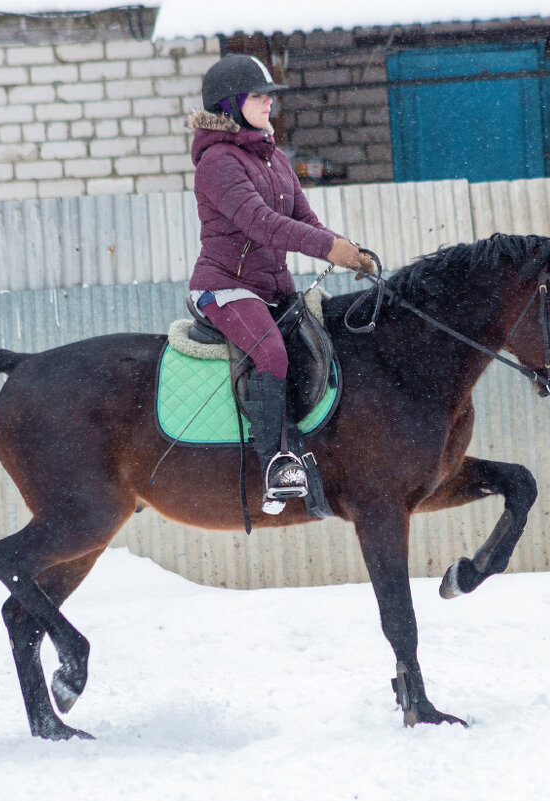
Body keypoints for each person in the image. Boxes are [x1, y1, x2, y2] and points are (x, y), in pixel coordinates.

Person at [188, 53, 375, 515]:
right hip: (225, 288)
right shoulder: (217, 162)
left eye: (270, 96)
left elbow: (303, 219)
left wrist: (346, 246)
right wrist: (328, 250)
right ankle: (275, 465)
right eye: (259, 96)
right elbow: (263, 224)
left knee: (328, 338)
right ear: (230, 104)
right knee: (271, 353)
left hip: (274, 288)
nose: (268, 103)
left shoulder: (274, 158)